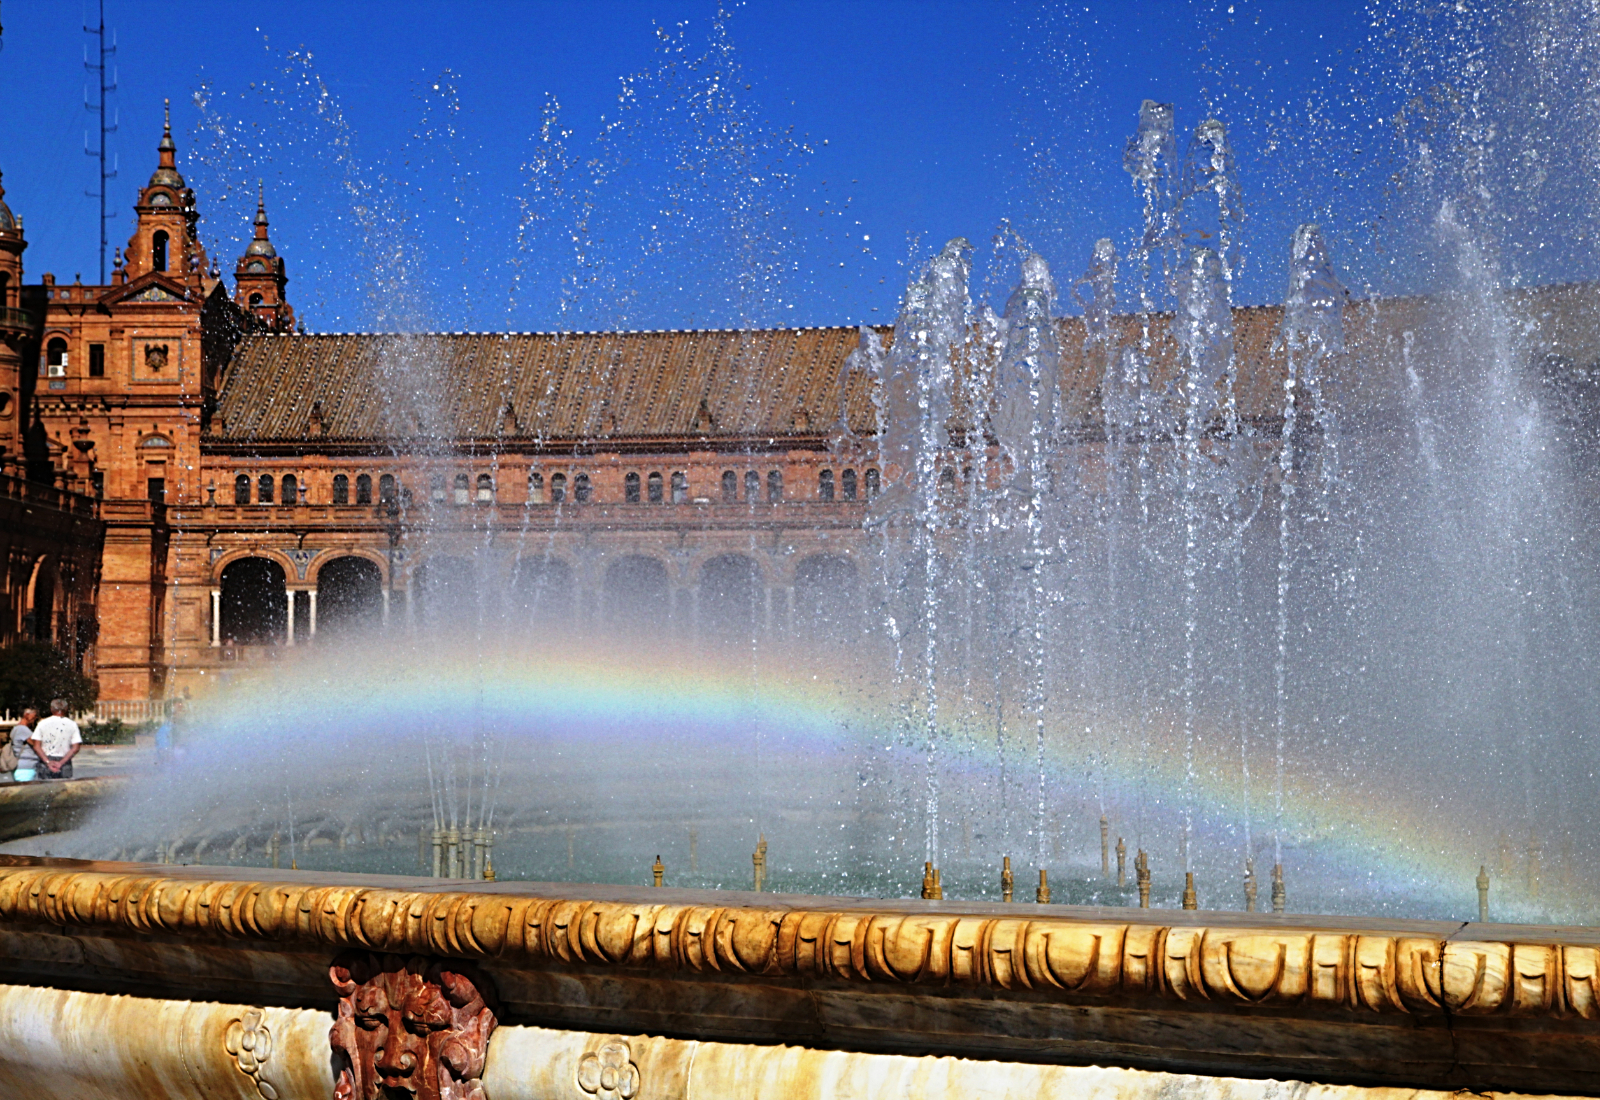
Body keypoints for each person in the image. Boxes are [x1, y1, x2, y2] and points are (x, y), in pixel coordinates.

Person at [29, 699, 82, 780]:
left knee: (45, 790)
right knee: (64, 790)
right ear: (66, 709)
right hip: (64, 760)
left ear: (51, 709)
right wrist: (61, 763)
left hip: (46, 760)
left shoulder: (42, 723)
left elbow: (36, 746)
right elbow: (76, 747)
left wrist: (48, 762)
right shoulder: (72, 724)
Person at [9, 709, 39, 783]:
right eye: (34, 716)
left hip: (21, 766)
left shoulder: (16, 728)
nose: (35, 719)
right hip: (26, 768)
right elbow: (36, 744)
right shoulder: (23, 729)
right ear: (26, 715)